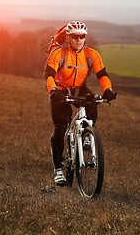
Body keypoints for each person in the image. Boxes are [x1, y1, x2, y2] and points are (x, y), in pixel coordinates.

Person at [43, 21, 117, 186]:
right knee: (60, 127)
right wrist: (53, 90)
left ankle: (87, 135)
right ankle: (58, 170)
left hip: (78, 88)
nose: (78, 40)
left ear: (85, 38)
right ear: (68, 38)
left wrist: (108, 90)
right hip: (60, 90)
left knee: (92, 103)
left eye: (82, 36)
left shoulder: (91, 54)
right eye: (75, 37)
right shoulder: (58, 54)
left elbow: (102, 74)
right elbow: (48, 75)